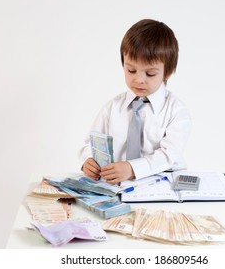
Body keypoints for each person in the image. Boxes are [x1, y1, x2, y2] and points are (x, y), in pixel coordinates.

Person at [79, 19, 192, 184]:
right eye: (131, 70)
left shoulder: (176, 111)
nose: (139, 80)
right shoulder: (112, 108)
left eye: (150, 74)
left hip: (162, 187)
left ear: (167, 72)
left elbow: (169, 154)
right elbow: (91, 142)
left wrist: (132, 168)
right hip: (117, 190)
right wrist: (87, 160)